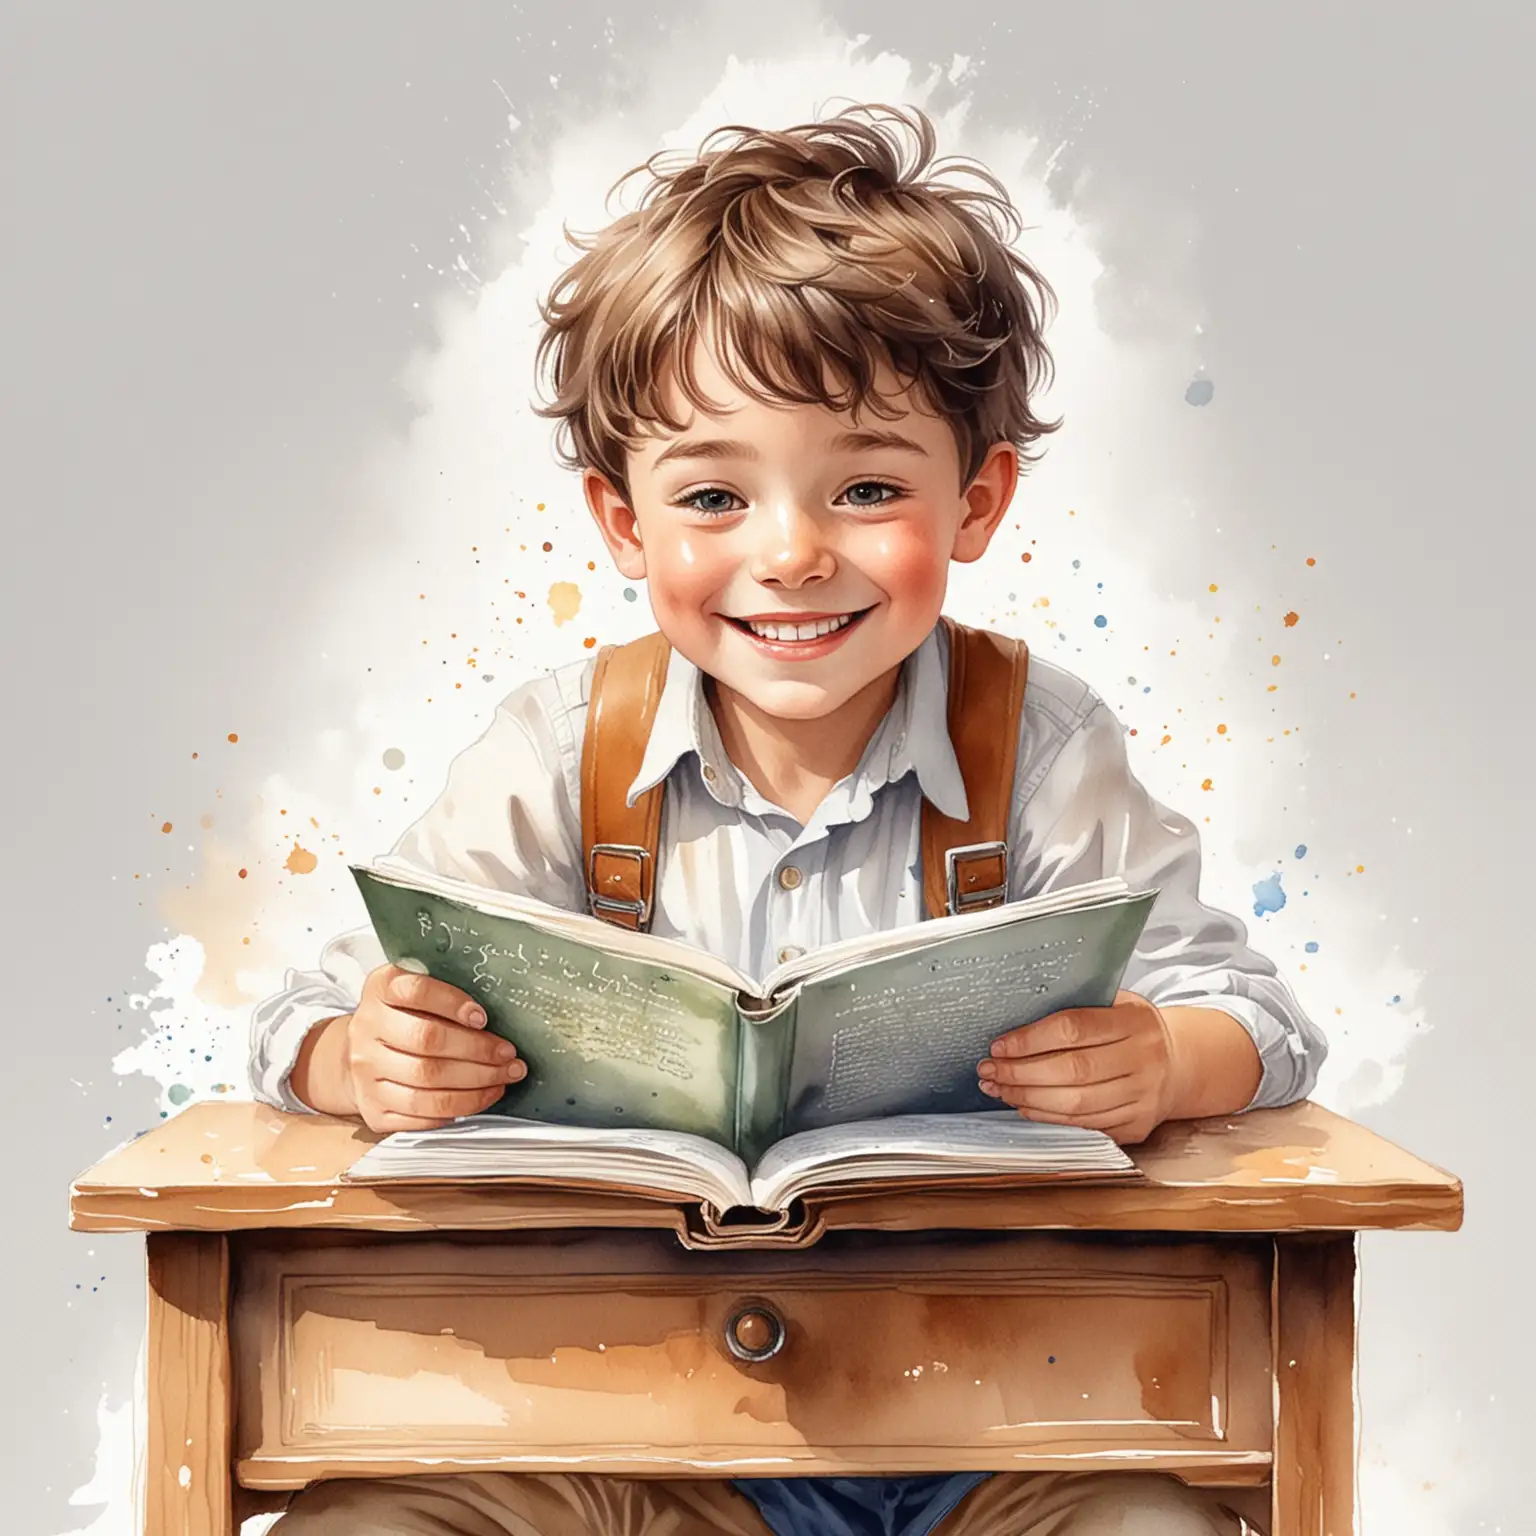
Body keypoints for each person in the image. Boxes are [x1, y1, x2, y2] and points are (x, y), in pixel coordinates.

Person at [251, 103, 1323, 1536]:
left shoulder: (1040, 742)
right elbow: (309, 1013)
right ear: (625, 523)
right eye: (712, 494)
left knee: (1153, 1522)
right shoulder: (567, 748)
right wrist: (361, 1058)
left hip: (1000, 1413)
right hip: (645, 1425)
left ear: (978, 500)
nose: (792, 552)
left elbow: (1255, 1017)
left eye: (867, 487)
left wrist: (1158, 1063)